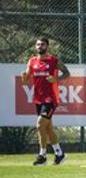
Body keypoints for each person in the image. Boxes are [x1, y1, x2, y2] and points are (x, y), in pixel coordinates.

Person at [22, 37, 70, 166]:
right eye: (37, 44)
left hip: (50, 98)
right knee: (47, 128)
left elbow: (67, 73)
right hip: (38, 98)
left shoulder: (54, 60)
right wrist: (24, 77)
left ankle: (42, 155)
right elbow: (26, 80)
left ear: (47, 46)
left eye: (42, 44)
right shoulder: (32, 61)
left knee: (39, 124)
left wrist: (56, 79)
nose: (39, 46)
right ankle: (59, 154)